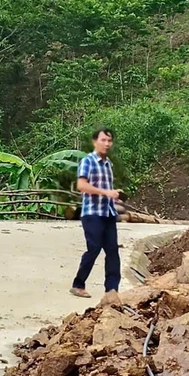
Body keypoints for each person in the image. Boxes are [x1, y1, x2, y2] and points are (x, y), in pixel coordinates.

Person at [70, 128, 122, 301]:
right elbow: (82, 186)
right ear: (95, 142)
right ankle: (78, 284)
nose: (106, 144)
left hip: (108, 213)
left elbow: (106, 188)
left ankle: (112, 290)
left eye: (109, 140)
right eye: (103, 140)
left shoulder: (108, 164)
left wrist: (114, 194)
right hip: (92, 213)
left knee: (112, 251)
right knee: (94, 248)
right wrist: (106, 193)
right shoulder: (88, 161)